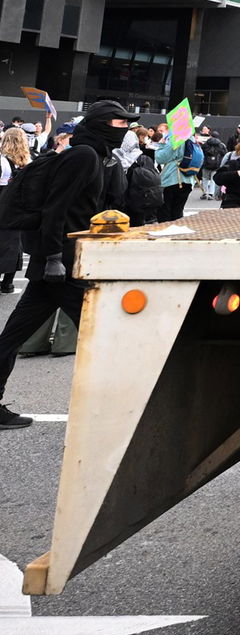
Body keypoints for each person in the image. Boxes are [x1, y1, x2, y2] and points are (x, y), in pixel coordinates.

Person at [0, 100, 137, 428]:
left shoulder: (93, 155)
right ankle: (124, 409)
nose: (125, 129)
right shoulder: (83, 156)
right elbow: (55, 209)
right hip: (62, 265)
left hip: (63, 262)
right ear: (103, 124)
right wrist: (51, 260)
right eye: (120, 124)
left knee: (12, 336)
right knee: (109, 333)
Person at [0, 126, 30, 293]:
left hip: (3, 206)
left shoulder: (2, 161)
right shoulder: (29, 162)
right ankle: (8, 283)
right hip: (19, 210)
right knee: (14, 245)